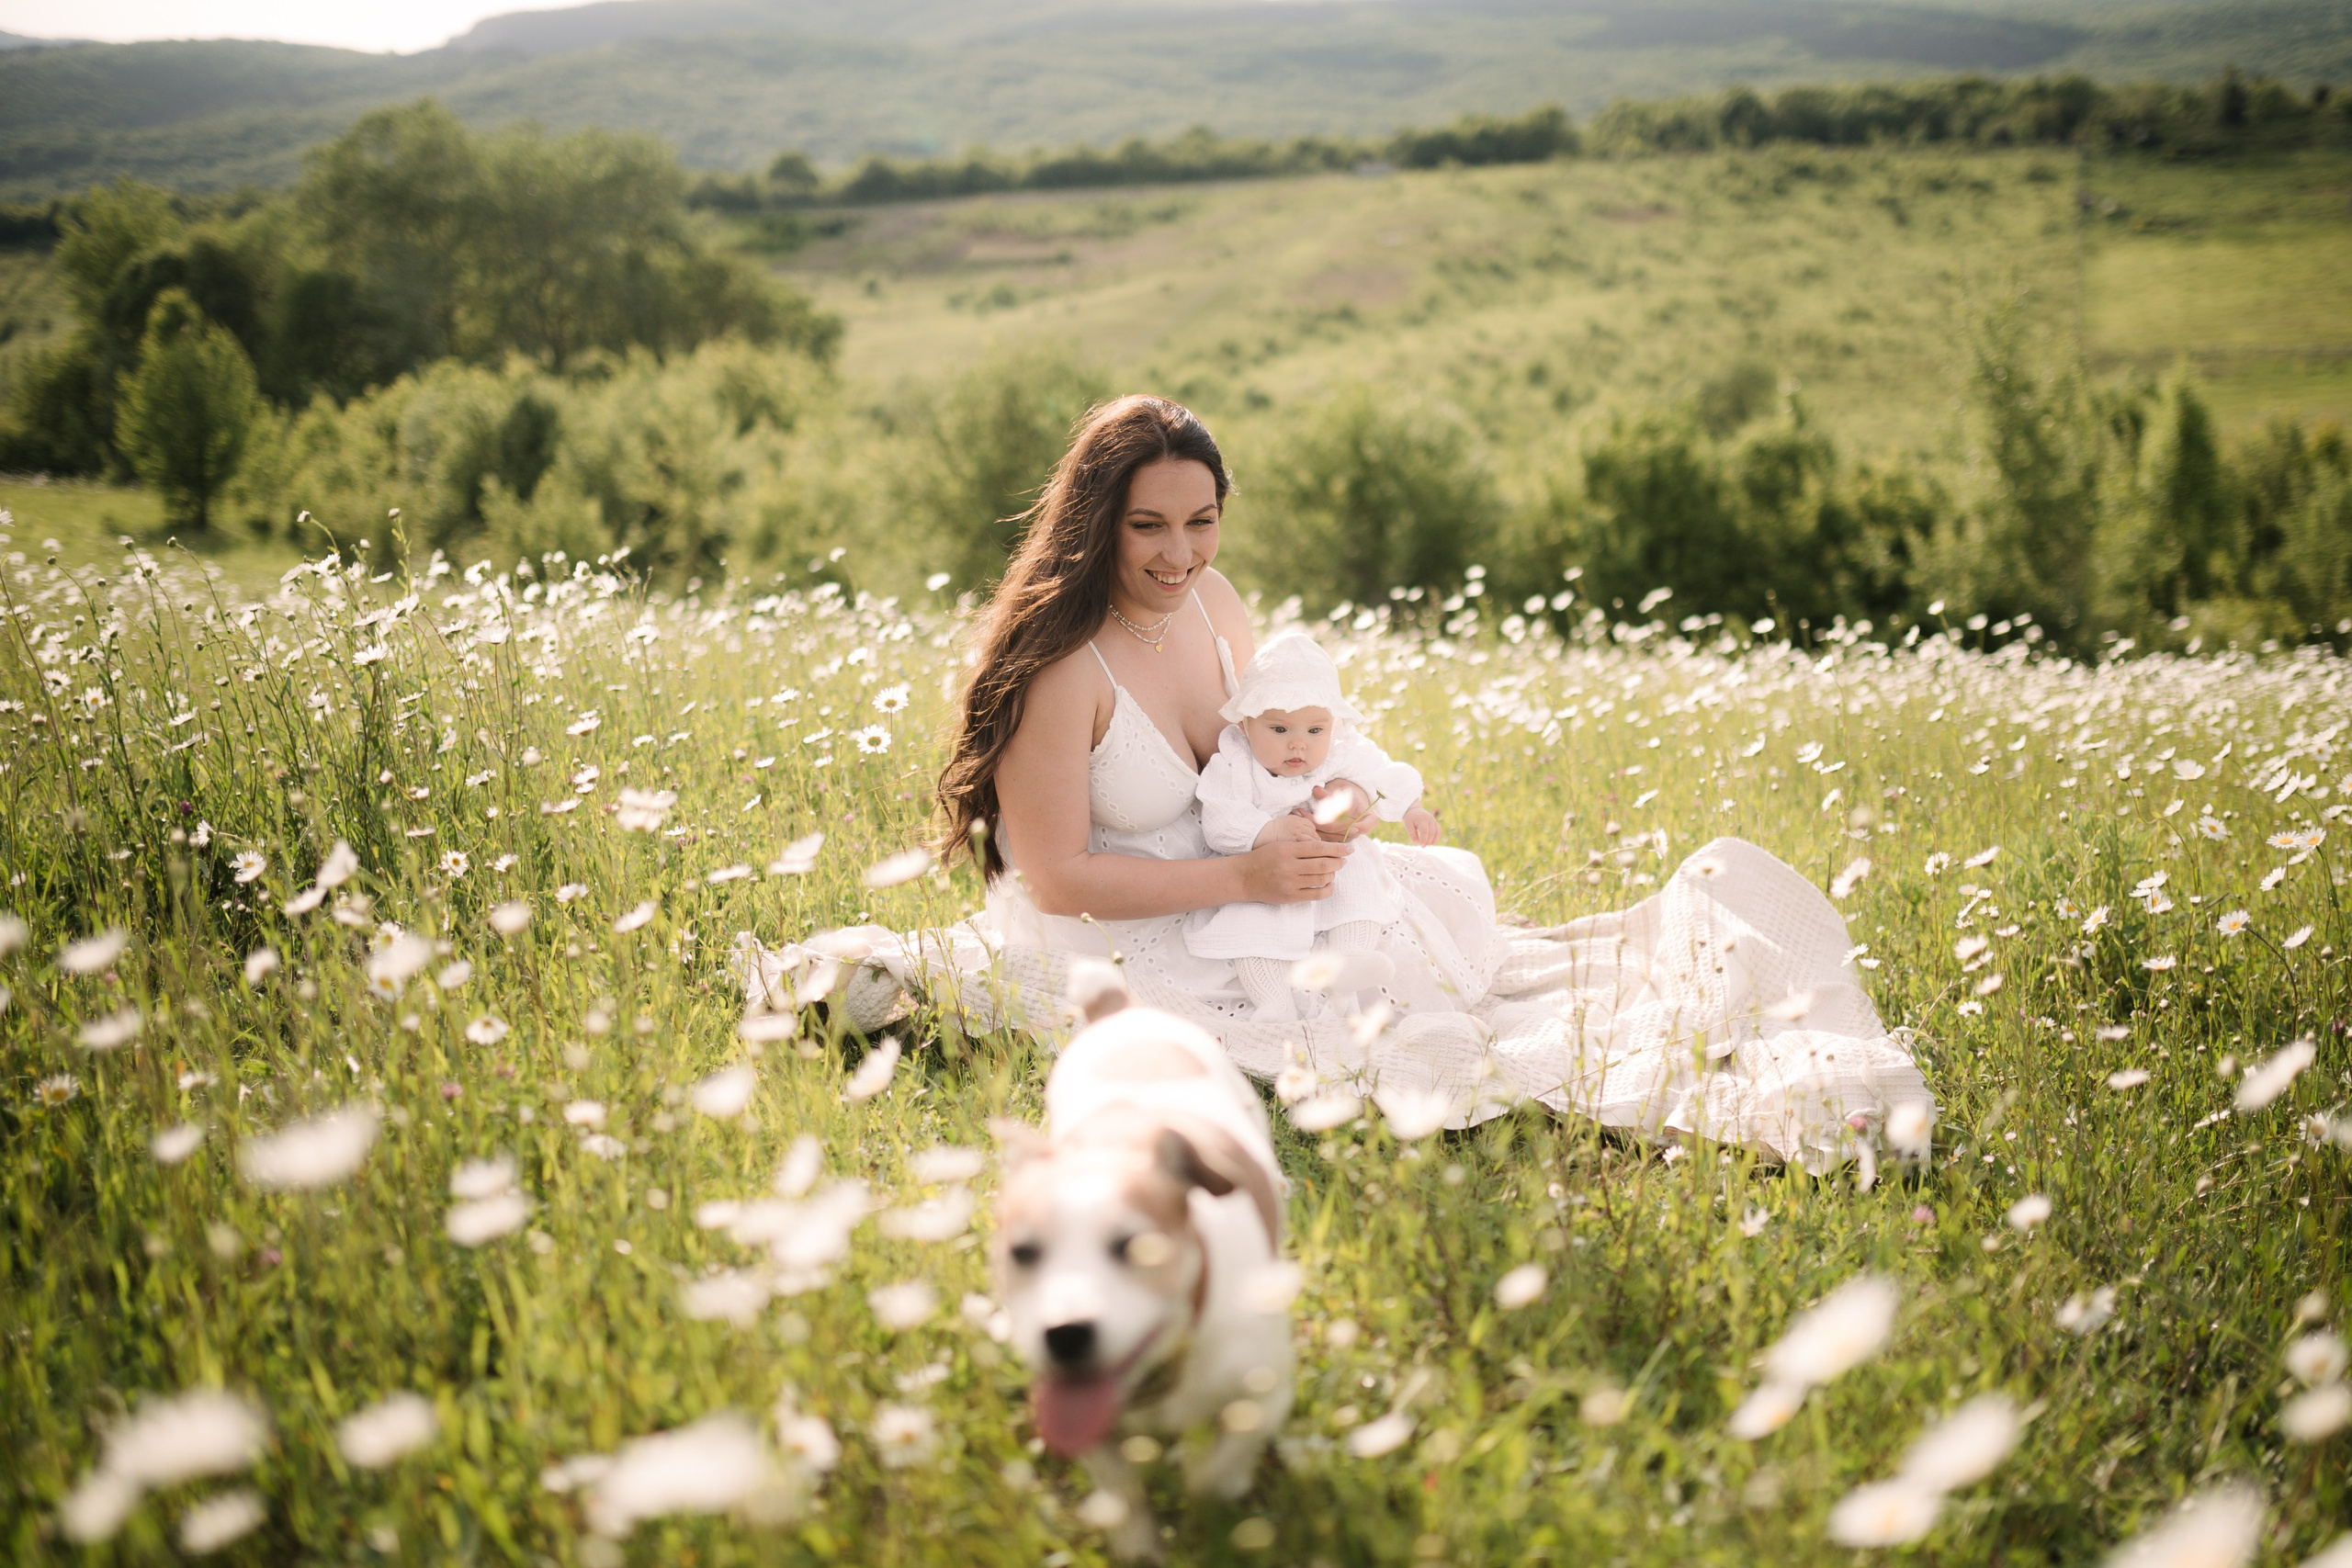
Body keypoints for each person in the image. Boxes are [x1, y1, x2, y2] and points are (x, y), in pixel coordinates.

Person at [737, 394, 1932, 1170]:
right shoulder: (1061, 670)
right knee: (1410, 1033)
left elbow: (1282, 746)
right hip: (1123, 922)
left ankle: (1787, 1059)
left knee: (1517, 971)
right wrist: (1247, 870)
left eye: (1199, 521)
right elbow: (1052, 877)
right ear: (1096, 524)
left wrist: (1338, 805)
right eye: (1148, 525)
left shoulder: (1212, 604)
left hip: (1257, 879)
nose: (1178, 554)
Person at [1183, 633, 1440, 1021]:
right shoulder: (1235, 760)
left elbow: (1382, 773)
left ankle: (1349, 959)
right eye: (1280, 730)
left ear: (1332, 725)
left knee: (1358, 881)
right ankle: (1273, 1002)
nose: (1298, 745)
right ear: (1247, 723)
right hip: (1261, 871)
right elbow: (1220, 818)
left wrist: (1411, 808)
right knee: (1251, 927)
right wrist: (1269, 832)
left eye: (1314, 731)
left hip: (1331, 860)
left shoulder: (1340, 750)